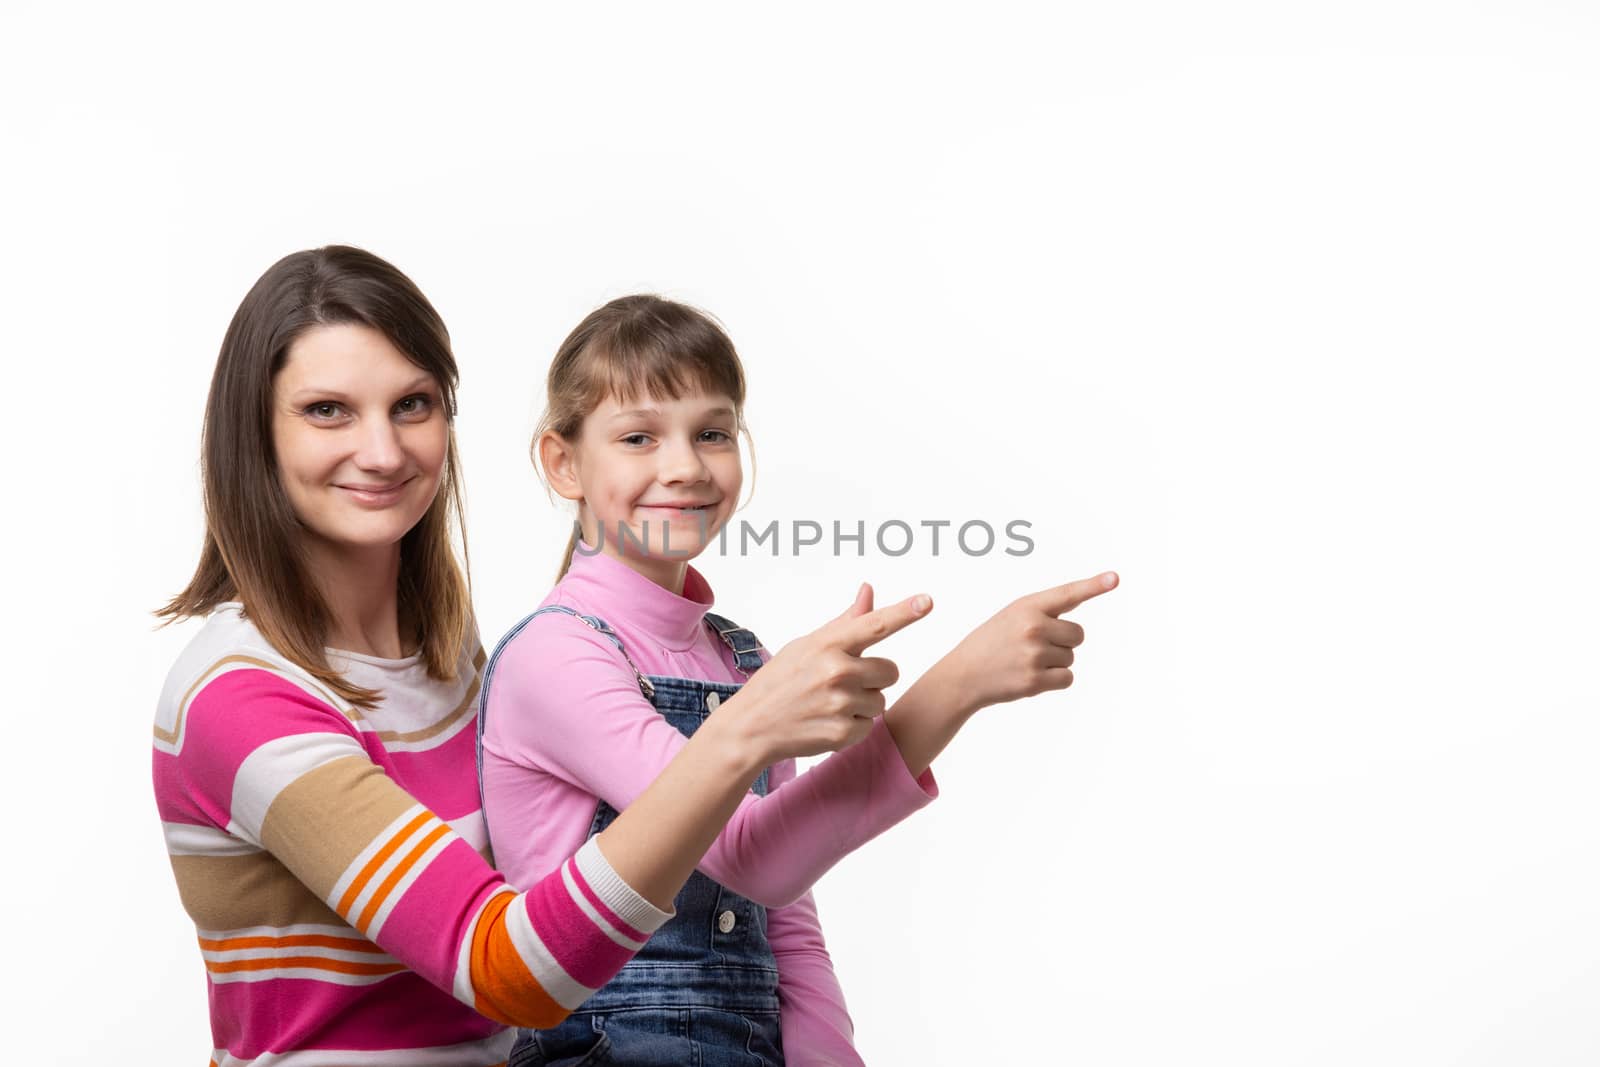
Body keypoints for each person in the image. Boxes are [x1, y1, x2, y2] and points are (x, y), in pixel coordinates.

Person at [152, 247, 934, 1066]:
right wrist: (743, 736)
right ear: (255, 435)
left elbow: (772, 898)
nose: (382, 451)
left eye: (412, 405)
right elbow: (506, 970)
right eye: (327, 411)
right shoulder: (239, 696)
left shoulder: (452, 662)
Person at [478, 294, 1119, 1065]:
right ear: (563, 461)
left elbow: (785, 922)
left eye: (712, 432)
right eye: (639, 436)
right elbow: (749, 854)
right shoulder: (558, 656)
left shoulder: (741, 660)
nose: (683, 466)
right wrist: (955, 688)